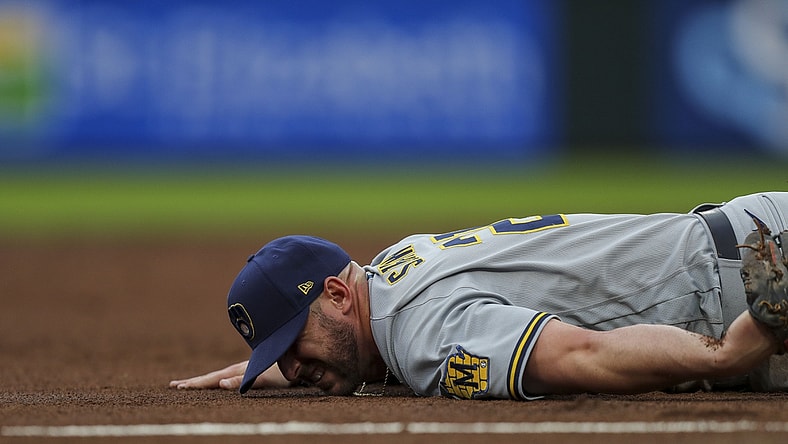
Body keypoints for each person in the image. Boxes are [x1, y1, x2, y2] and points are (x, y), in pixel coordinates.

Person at [170, 192, 788, 400]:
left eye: (292, 343)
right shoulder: (391, 267)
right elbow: (384, 336)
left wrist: (722, 358)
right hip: (756, 238)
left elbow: (579, 356)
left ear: (335, 294)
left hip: (761, 291)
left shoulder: (418, 333)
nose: (294, 365)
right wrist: (310, 364)